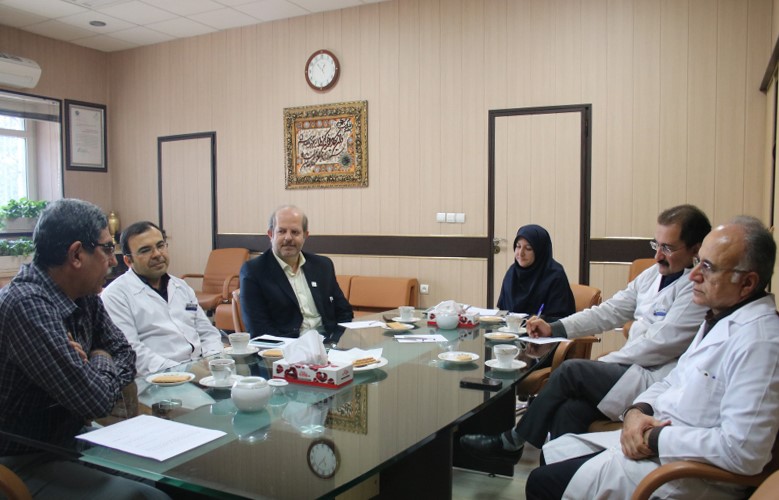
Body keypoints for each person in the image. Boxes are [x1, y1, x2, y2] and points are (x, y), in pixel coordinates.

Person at [526, 216, 779, 500]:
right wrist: (638, 411)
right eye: (698, 262)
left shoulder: (760, 342)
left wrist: (654, 437)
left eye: (707, 267)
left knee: (541, 482)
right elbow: (674, 380)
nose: (694, 275)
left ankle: (513, 442)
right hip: (658, 435)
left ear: (747, 283)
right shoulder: (719, 317)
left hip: (685, 472)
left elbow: (744, 452)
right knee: (555, 450)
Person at [461, 204, 711, 464]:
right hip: (630, 368)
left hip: (655, 376)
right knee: (569, 411)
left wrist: (605, 362)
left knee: (572, 370)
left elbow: (658, 345)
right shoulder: (650, 276)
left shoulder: (694, 291)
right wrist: (554, 328)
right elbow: (608, 312)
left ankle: (513, 440)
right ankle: (554, 476)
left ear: (695, 249)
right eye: (656, 245)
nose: (658, 255)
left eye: (668, 248)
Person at [0, 199, 168, 499]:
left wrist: (92, 362)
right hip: (22, 458)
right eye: (107, 249)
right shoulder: (26, 305)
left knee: (168, 474)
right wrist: (101, 356)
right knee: (146, 496)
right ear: (77, 254)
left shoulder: (84, 293)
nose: (114, 261)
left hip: (70, 442)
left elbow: (125, 353)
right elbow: (94, 402)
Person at [102, 221, 224, 376]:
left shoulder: (181, 287)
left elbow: (207, 332)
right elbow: (132, 351)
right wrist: (184, 371)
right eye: (145, 250)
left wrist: (214, 359)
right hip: (158, 378)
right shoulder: (116, 295)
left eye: (160, 246)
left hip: (201, 370)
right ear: (128, 261)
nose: (157, 254)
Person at [239, 205, 353, 337]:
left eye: (295, 232)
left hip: (328, 344)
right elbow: (259, 330)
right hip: (286, 347)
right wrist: (297, 348)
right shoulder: (254, 271)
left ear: (305, 235)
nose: (288, 238)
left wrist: (336, 341)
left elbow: (344, 312)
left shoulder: (322, 266)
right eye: (281, 231)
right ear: (271, 234)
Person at [496, 224, 575, 320]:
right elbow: (503, 311)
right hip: (510, 328)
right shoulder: (512, 272)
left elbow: (560, 319)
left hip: (543, 329)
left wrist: (536, 321)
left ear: (540, 251)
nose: (521, 253)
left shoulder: (555, 275)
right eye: (518, 246)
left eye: (528, 248)